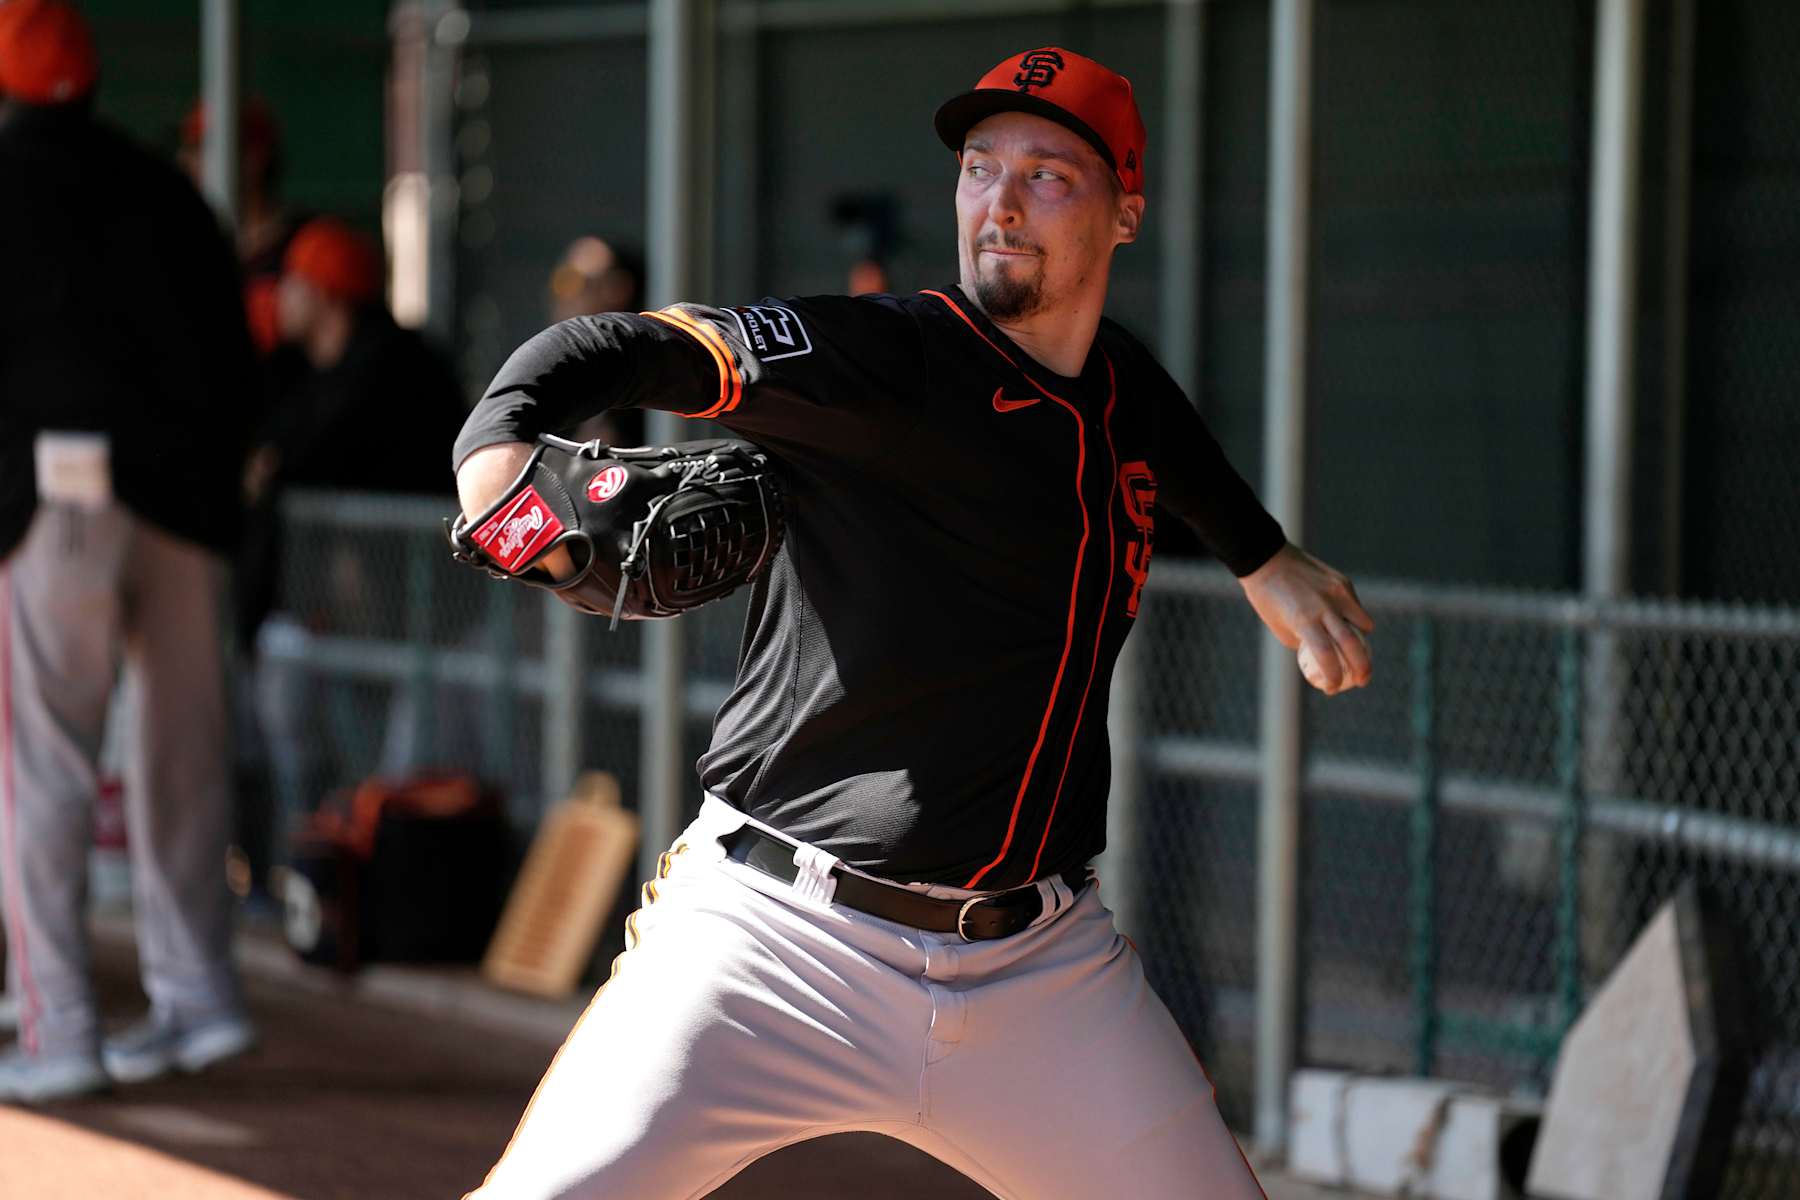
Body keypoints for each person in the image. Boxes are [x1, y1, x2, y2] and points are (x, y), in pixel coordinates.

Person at [452, 46, 1373, 1199]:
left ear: (1125, 213)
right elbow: (610, 346)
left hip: (1041, 974)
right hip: (774, 941)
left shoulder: (1119, 389)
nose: (1000, 199)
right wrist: (494, 462)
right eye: (982, 166)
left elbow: (1156, 424)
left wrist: (1263, 554)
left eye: (1048, 175)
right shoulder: (885, 356)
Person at [0, 0, 260, 1101]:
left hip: (52, 506)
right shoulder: (170, 192)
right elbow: (237, 364)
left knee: (44, 772)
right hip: (184, 514)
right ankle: (199, 1005)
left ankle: (60, 1031)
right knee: (181, 763)